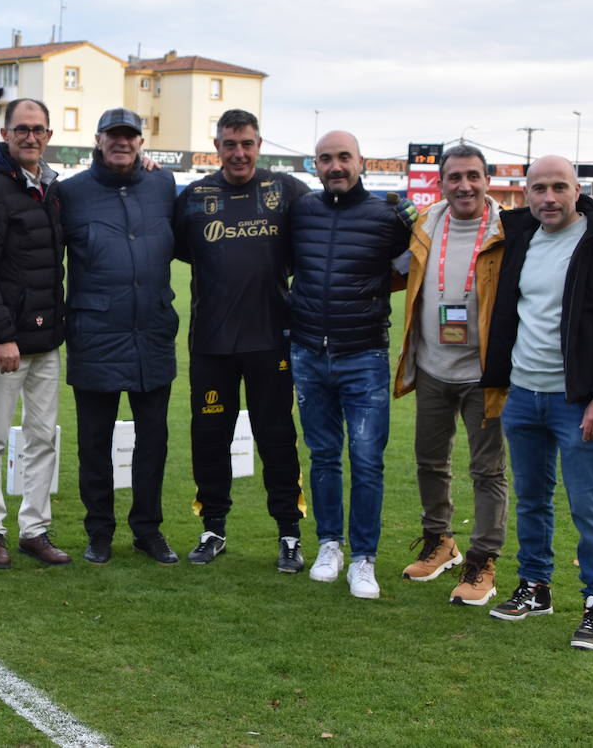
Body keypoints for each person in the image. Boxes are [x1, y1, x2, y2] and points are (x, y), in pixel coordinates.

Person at [481, 155, 593, 651]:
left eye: (558, 187)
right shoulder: (521, 238)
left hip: (577, 402)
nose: (548, 198)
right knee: (531, 500)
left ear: (578, 191)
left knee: (588, 506)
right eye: (538, 188)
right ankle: (535, 587)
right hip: (523, 396)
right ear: (525, 193)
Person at [173, 109, 309, 569]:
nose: (239, 153)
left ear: (259, 144)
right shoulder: (194, 198)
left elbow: (324, 226)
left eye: (247, 143)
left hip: (271, 340)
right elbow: (169, 245)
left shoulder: (286, 191)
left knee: (276, 436)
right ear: (217, 148)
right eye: (229, 144)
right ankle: (213, 528)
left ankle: (289, 533)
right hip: (211, 343)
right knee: (210, 436)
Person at [289, 130, 414, 599]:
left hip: (363, 355)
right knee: (322, 456)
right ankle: (329, 545)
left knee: (366, 460)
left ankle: (363, 558)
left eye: (344, 157)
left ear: (362, 162)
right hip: (308, 353)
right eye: (326, 159)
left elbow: (412, 266)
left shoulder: (386, 217)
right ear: (315, 165)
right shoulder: (302, 211)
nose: (335, 166)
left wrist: (415, 222)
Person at [59, 107, 180, 565]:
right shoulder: (70, 193)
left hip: (152, 331)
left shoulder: (163, 185)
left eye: (130, 136)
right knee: (94, 441)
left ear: (141, 143)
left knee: (154, 440)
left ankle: (148, 529)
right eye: (114, 135)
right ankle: (99, 531)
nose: (122, 143)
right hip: (95, 334)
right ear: (98, 139)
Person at [393, 144, 508, 606]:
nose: (464, 186)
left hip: (485, 372)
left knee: (488, 470)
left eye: (473, 177)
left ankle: (483, 561)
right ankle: (441, 542)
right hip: (433, 367)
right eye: (455, 177)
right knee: (429, 461)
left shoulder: (509, 228)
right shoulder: (425, 224)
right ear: (442, 182)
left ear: (487, 180)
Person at [0, 98, 69, 568]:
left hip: (45, 341)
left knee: (44, 437)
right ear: (4, 134)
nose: (30, 137)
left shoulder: (51, 186)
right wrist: (4, 335)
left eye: (38, 129)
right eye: (21, 129)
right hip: (0, 343)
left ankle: (35, 528)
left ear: (48, 135)